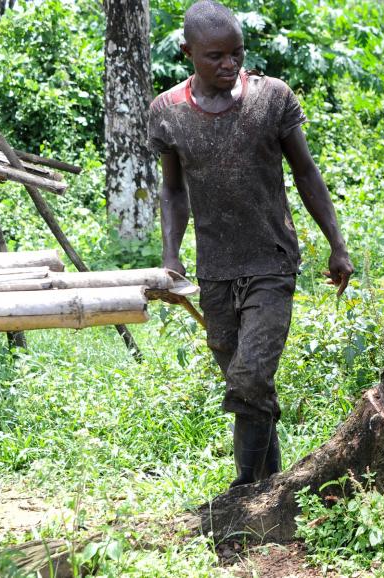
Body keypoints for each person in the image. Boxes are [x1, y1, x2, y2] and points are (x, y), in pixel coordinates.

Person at [148, 0, 353, 488]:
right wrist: (171, 256)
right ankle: (271, 488)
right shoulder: (169, 112)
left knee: (249, 377)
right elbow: (173, 191)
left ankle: (243, 490)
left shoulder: (272, 99)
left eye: (236, 54)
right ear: (188, 52)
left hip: (271, 262)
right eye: (215, 56)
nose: (229, 65)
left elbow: (306, 173)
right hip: (215, 270)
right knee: (249, 389)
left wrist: (337, 244)